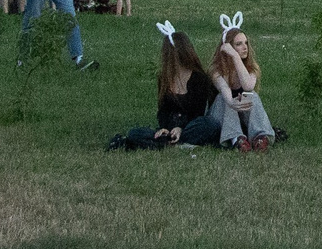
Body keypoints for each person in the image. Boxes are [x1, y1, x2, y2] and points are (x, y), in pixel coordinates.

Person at [113, 24, 219, 147]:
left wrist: (180, 128)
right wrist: (164, 128)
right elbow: (163, 110)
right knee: (135, 133)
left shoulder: (199, 78)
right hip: (169, 127)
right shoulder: (164, 78)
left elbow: (198, 111)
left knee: (209, 125)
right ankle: (167, 141)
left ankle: (168, 142)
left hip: (190, 125)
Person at [211, 19, 276, 151]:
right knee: (225, 99)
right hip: (221, 114)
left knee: (253, 96)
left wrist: (235, 57)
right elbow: (224, 89)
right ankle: (237, 139)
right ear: (228, 47)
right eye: (239, 44)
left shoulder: (252, 68)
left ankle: (260, 137)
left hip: (244, 113)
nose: (245, 47)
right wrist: (232, 102)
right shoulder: (216, 70)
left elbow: (247, 86)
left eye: (246, 43)